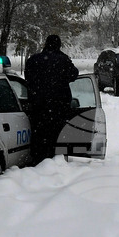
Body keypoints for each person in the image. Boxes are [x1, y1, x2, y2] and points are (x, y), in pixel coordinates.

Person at [24, 34, 79, 163]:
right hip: (58, 105)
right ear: (58, 45)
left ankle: (38, 157)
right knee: (56, 133)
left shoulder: (34, 60)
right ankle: (55, 158)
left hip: (38, 105)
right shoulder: (63, 60)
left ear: (45, 44)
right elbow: (74, 74)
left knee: (39, 132)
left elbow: (28, 78)